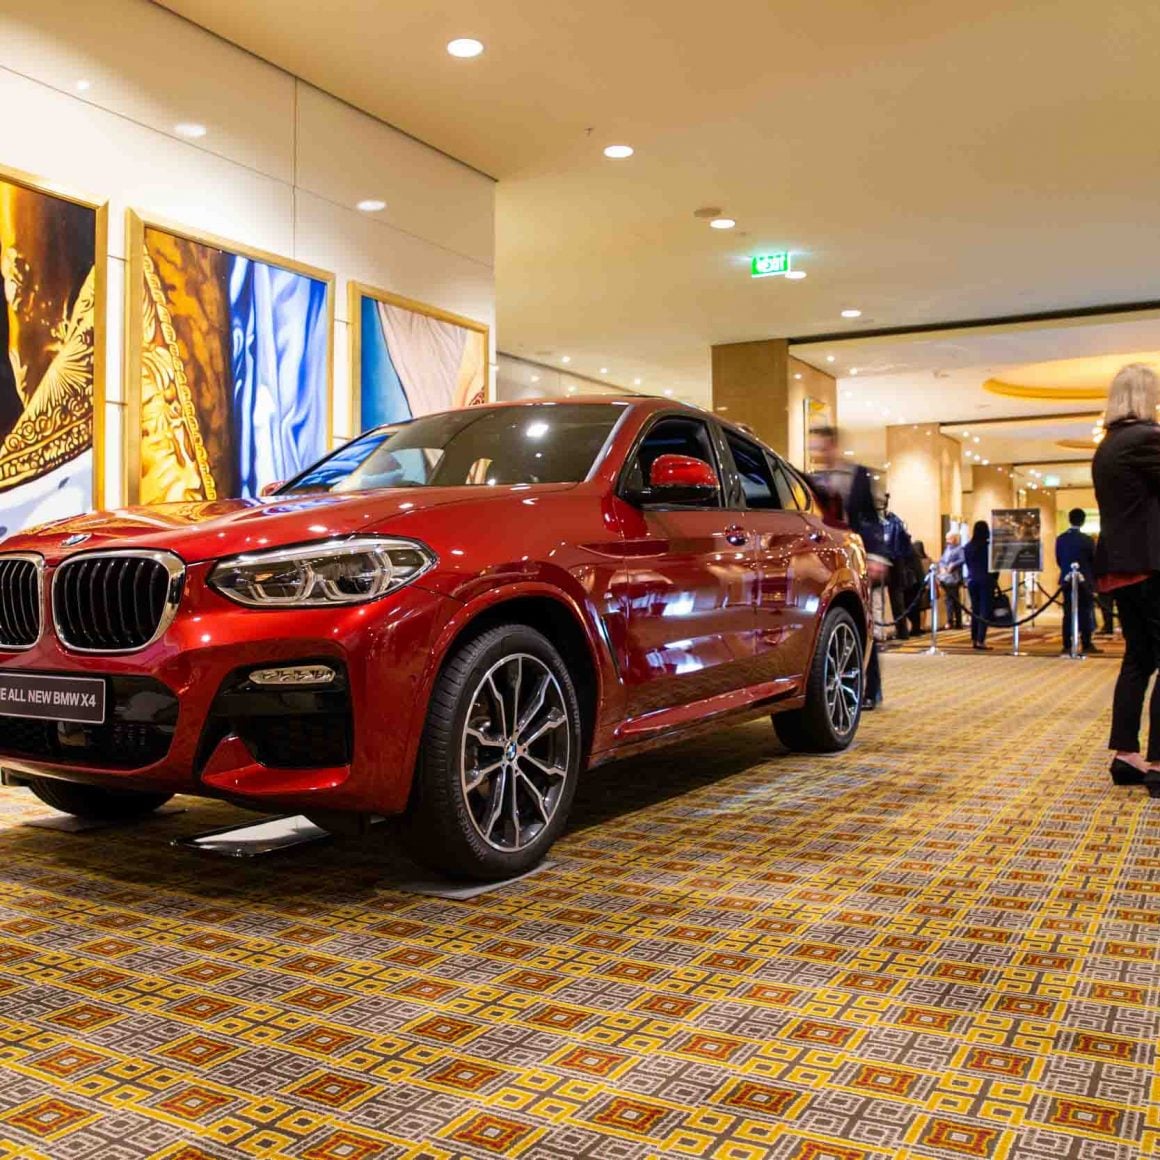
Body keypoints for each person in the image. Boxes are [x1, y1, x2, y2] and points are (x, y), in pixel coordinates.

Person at [1092, 363, 1160, 793]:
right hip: (1150, 565)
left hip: (1120, 567)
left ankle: (1126, 754)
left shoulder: (1108, 445)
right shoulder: (1147, 438)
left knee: (1139, 658)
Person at [808, 426, 889, 710]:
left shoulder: (857, 475)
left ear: (833, 445)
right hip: (827, 557)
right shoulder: (812, 479)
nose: (817, 452)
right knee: (836, 622)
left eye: (820, 446)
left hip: (855, 552)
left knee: (860, 621)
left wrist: (876, 555)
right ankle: (839, 685)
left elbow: (870, 517)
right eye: (813, 448)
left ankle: (870, 689)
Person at [1056, 507, 1099, 655]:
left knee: (1068, 612)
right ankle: (1086, 643)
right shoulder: (1087, 540)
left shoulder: (1061, 539)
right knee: (1085, 611)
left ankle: (1067, 644)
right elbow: (1093, 560)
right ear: (1083, 521)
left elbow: (1059, 559)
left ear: (1069, 520)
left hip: (1067, 579)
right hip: (1084, 580)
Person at [962, 520, 997, 650]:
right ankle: (981, 639)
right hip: (986, 580)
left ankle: (974, 638)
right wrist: (994, 580)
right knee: (984, 611)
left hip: (972, 580)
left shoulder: (967, 547)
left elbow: (967, 563)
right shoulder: (988, 547)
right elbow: (994, 567)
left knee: (975, 611)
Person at [937, 532, 965, 629]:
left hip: (954, 577)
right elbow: (942, 560)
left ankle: (958, 621)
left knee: (955, 600)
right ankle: (950, 620)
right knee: (948, 600)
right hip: (946, 577)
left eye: (949, 539)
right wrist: (942, 567)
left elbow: (963, 559)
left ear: (954, 539)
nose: (947, 541)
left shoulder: (959, 549)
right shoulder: (947, 549)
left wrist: (953, 565)